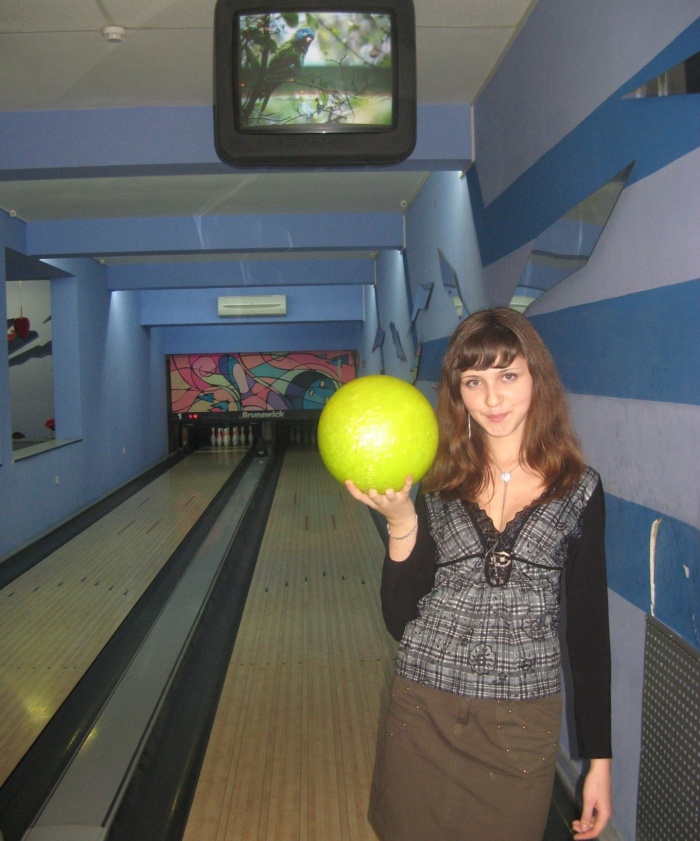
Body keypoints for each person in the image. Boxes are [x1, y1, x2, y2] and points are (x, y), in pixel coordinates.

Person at [346, 307, 612, 841]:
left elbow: (588, 633)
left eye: (507, 376)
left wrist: (598, 762)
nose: (492, 398)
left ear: (537, 378)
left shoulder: (578, 489)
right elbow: (400, 621)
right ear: (458, 392)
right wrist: (401, 523)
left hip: (522, 724)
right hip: (423, 708)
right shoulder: (436, 482)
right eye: (474, 381)